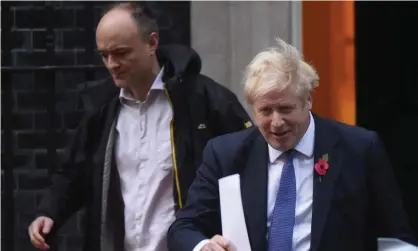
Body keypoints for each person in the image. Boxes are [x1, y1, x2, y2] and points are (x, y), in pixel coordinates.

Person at [27, 2, 252, 251]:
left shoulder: (205, 100)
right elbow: (73, 172)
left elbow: (250, 166)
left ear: (151, 43)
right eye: (104, 55)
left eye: (121, 53)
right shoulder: (102, 109)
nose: (112, 63)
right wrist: (49, 212)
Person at [167, 38, 417, 251]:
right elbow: (184, 227)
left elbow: (395, 238)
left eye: (285, 109)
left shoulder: (359, 149)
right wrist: (203, 246)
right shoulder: (225, 154)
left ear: (308, 99)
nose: (276, 122)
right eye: (265, 111)